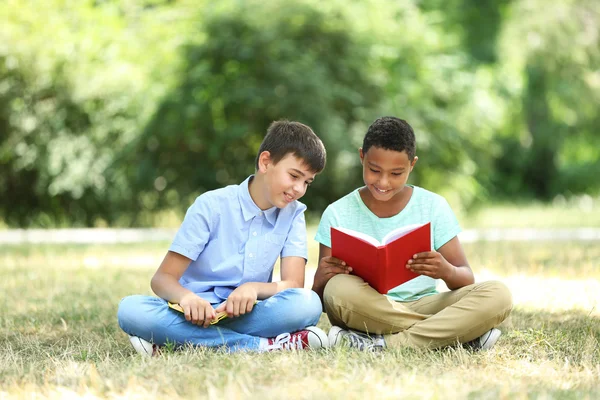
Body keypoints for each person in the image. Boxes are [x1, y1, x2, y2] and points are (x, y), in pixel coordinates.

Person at [118, 120, 329, 355]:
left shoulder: (294, 214)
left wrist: (252, 289)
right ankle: (261, 345)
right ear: (265, 162)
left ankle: (177, 340)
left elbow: (293, 285)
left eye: (307, 182)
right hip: (195, 314)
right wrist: (187, 299)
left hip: (250, 313)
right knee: (130, 310)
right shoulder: (211, 205)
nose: (299, 189)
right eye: (294, 176)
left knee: (308, 304)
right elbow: (162, 279)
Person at [312, 116, 512, 351]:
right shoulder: (337, 213)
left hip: (425, 303)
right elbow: (324, 299)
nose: (383, 182)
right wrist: (321, 281)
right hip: (366, 308)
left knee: (498, 295)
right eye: (374, 170)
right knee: (338, 289)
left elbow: (466, 278)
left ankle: (385, 344)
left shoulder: (433, 206)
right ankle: (457, 334)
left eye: (396, 173)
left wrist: (445, 270)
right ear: (361, 157)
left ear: (412, 165)